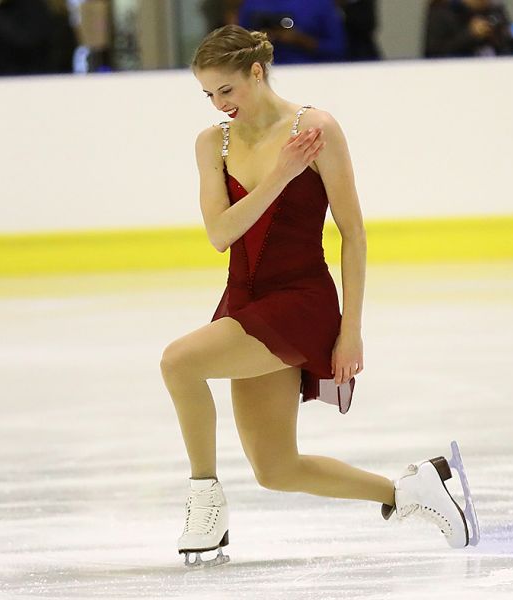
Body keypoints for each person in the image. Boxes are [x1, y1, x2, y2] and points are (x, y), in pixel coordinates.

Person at [161, 24, 481, 567]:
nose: (219, 104)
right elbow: (220, 234)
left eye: (227, 90)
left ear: (256, 72)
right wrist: (281, 174)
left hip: (300, 301)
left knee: (179, 362)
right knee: (276, 468)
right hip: (243, 301)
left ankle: (204, 498)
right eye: (209, 94)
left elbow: (353, 234)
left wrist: (350, 330)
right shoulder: (212, 143)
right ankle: (413, 491)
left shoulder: (316, 129)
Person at [238, 0, 346, 64]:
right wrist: (259, 39)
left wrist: (300, 40)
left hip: (312, 70)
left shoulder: (320, 4)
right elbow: (238, 45)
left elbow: (338, 48)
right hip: (262, 71)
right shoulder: (252, 3)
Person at [424, 0, 513, 58]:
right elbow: (434, 53)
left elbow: (511, 48)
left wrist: (496, 34)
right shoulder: (441, 12)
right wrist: (470, 35)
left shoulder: (494, 11)